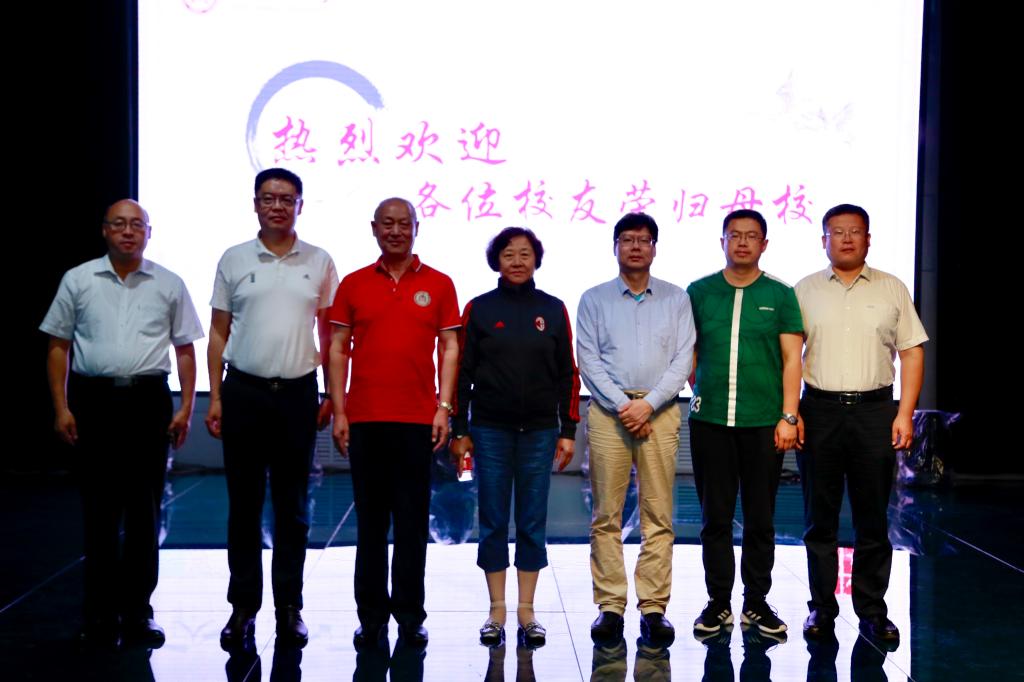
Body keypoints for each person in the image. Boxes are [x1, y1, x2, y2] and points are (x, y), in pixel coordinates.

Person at [41, 199, 203, 647]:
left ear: (149, 232)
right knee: (99, 510)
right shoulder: (78, 279)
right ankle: (98, 613)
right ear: (105, 230)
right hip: (93, 401)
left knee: (145, 512)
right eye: (119, 224)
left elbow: (185, 350)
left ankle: (137, 612)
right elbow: (58, 347)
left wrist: (186, 408)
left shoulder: (168, 283)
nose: (128, 232)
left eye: (137, 225)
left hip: (147, 402)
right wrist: (61, 408)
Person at [206, 168, 338, 649]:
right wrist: (214, 396)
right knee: (243, 506)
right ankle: (242, 607)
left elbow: (330, 334)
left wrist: (331, 393)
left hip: (298, 395)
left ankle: (289, 607)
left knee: (293, 507)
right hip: (244, 392)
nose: (277, 206)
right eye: (268, 198)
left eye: (286, 198)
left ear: (300, 204)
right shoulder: (234, 258)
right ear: (255, 203)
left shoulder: (319, 261)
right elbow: (218, 331)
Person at [328, 197, 460, 648]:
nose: (396, 231)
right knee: (370, 525)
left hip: (417, 421)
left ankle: (408, 615)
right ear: (374, 228)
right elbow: (337, 348)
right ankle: (370, 617)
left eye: (404, 223)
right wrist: (339, 410)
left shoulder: (439, 284)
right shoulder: (353, 284)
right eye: (388, 223)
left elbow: (449, 348)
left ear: (416, 228)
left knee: (411, 523)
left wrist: (444, 406)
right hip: (364, 419)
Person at [795, 203, 927, 645]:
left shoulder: (892, 288)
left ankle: (872, 610)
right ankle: (821, 608)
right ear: (824, 240)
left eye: (855, 231)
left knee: (872, 518)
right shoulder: (805, 290)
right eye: (838, 231)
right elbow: (789, 357)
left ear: (868, 239)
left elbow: (911, 352)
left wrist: (905, 413)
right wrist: (790, 414)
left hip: (875, 411)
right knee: (819, 519)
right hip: (819, 411)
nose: (847, 238)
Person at [449, 227, 581, 647]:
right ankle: (496, 611)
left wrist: (567, 430)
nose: (518, 261)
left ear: (536, 259)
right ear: (497, 261)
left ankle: (527, 611)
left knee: (531, 519)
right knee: (492, 519)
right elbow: (462, 373)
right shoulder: (480, 308)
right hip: (490, 431)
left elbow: (567, 374)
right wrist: (460, 429)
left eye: (525, 254)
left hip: (540, 432)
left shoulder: (553, 309)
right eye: (509, 254)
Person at [576, 212, 695, 645]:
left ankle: (653, 607)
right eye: (627, 239)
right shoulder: (594, 299)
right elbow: (588, 360)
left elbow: (684, 358)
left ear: (654, 248)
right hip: (610, 413)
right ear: (615, 247)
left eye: (644, 240)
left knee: (658, 514)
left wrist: (648, 404)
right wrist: (625, 406)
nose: (635, 247)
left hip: (659, 410)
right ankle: (610, 606)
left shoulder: (676, 299)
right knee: (605, 515)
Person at [686, 209, 803, 637]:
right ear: (722, 241)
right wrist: (703, 388)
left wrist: (788, 416)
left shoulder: (781, 294)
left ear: (764, 244)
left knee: (760, 518)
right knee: (714, 517)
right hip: (710, 421)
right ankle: (718, 603)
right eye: (734, 235)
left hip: (763, 423)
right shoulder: (699, 291)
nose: (742, 242)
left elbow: (792, 360)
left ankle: (756, 602)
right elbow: (689, 354)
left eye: (751, 236)